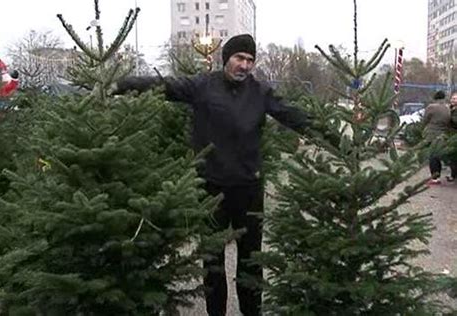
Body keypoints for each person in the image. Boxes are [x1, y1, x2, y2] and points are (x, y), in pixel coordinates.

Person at [112, 34, 312, 316]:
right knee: (213, 260)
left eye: (250, 60)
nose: (245, 65)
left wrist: (331, 136)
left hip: (249, 188)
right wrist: (123, 84)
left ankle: (251, 311)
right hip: (211, 188)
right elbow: (164, 86)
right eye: (239, 58)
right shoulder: (202, 86)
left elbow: (293, 115)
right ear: (226, 58)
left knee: (252, 259)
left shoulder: (260, 92)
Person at [423, 90, 451, 185]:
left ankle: (435, 178)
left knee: (432, 155)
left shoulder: (431, 107)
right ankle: (438, 175)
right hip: (443, 134)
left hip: (432, 133)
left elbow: (425, 119)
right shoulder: (447, 108)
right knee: (438, 156)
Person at [447, 91, 457, 182]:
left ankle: (453, 175)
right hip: (450, 136)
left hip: (455, 135)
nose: (453, 100)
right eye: (452, 98)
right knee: (452, 157)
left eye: (455, 98)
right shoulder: (449, 109)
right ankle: (453, 175)